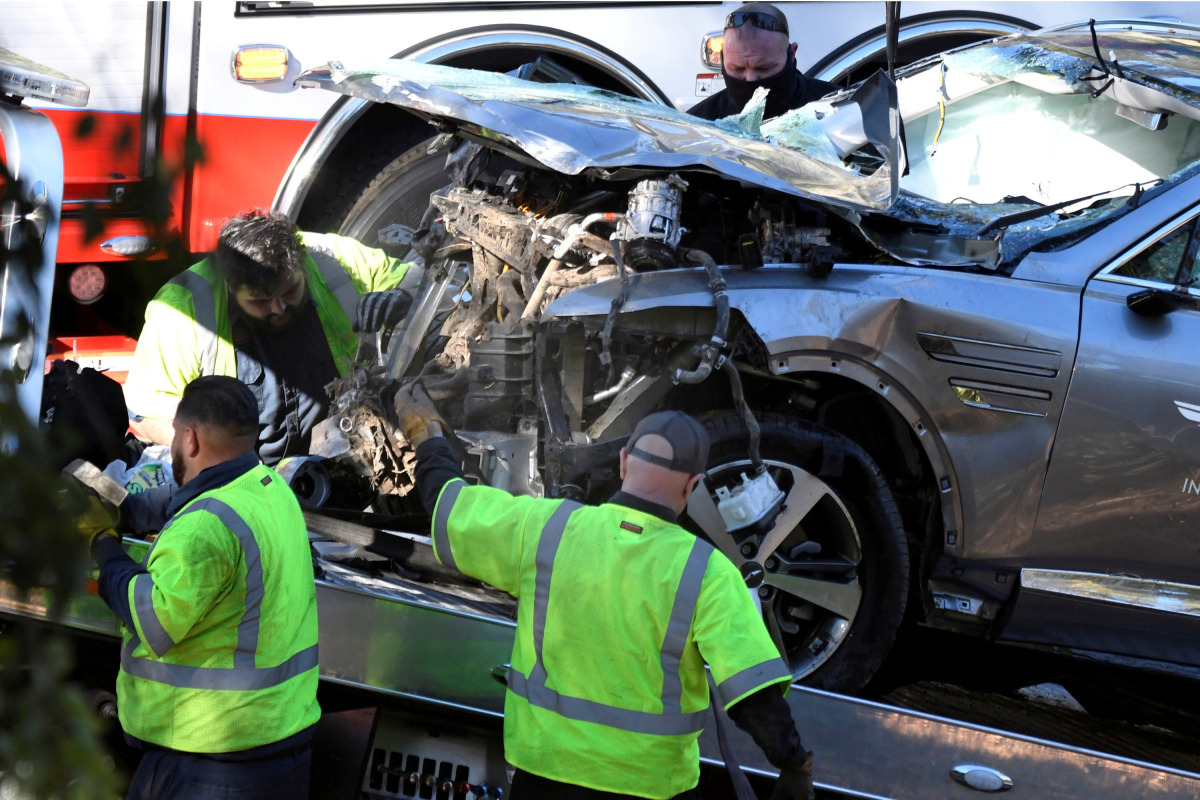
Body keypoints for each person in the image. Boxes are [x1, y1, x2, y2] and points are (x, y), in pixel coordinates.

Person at [393, 386, 815, 800]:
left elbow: (447, 506)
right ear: (692, 486)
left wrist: (428, 437)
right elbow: (754, 698)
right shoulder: (708, 574)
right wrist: (793, 764)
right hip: (651, 790)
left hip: (545, 777)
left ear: (623, 462)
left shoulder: (545, 529)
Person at [73, 376, 320, 800]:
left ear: (189, 438)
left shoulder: (206, 527)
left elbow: (151, 618)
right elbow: (184, 499)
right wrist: (125, 508)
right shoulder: (268, 487)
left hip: (209, 763)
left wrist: (103, 543)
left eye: (173, 434)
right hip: (274, 746)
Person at [123, 209, 416, 465]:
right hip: (246, 478)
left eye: (290, 291)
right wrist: (216, 456)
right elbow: (145, 414)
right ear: (229, 286)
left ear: (303, 268)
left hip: (346, 457)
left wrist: (403, 297)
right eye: (260, 301)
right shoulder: (183, 309)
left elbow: (425, 281)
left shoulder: (333, 259)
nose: (279, 308)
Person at [688, 2, 837, 122]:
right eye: (737, 69)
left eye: (764, 68)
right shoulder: (701, 126)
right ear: (722, 59)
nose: (750, 79)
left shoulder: (838, 112)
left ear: (791, 53)